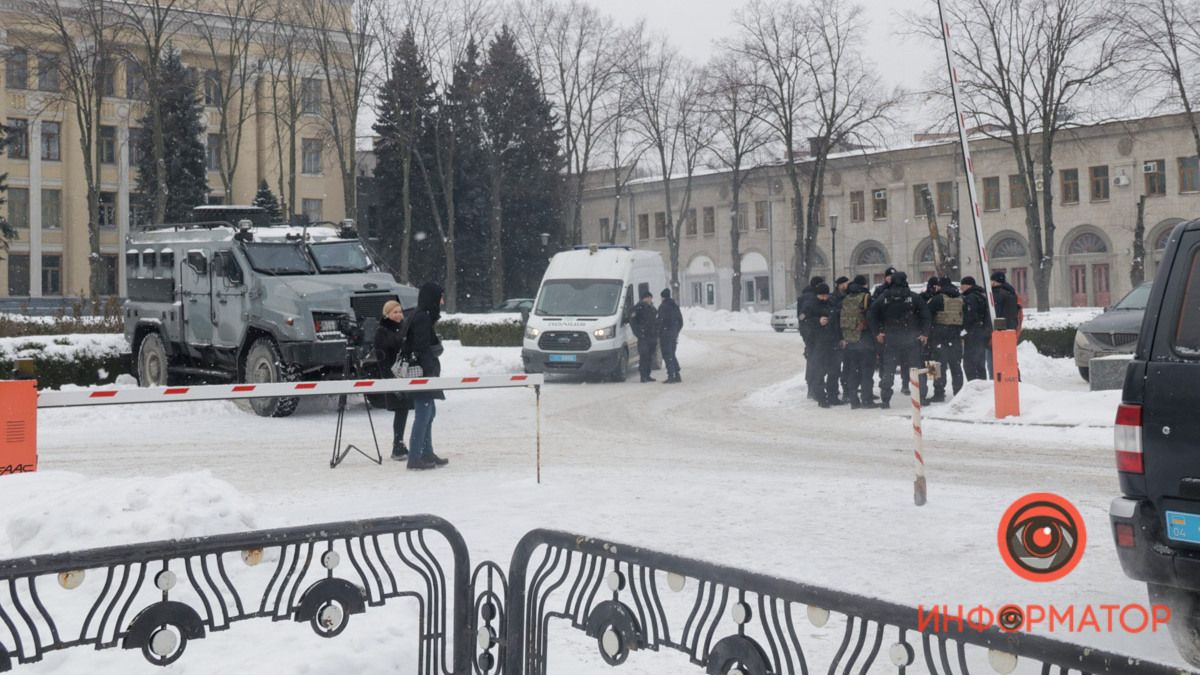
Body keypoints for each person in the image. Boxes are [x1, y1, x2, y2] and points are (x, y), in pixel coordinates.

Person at [868, 271, 931, 408]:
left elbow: (872, 314)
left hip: (891, 339)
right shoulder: (913, 297)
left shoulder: (885, 297)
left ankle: (885, 399)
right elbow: (926, 315)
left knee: (888, 370)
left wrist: (877, 333)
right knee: (917, 368)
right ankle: (921, 397)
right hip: (912, 338)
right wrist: (924, 333)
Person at [404, 282, 449, 470]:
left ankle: (426, 452)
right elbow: (421, 348)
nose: (443, 301)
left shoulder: (420, 315)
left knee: (429, 413)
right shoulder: (422, 318)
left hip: (424, 371)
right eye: (440, 296)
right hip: (423, 373)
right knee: (423, 414)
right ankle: (415, 456)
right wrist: (429, 369)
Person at [372, 300, 412, 461]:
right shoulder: (382, 332)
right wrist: (390, 380)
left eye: (400, 311)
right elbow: (382, 358)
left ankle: (400, 444)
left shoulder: (404, 328)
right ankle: (398, 444)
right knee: (401, 410)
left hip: (405, 374)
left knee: (404, 410)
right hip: (392, 375)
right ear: (387, 314)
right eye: (394, 312)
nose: (398, 315)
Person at [838, 275, 876, 408]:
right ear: (864, 285)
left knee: (853, 371)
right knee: (866, 371)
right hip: (864, 339)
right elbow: (872, 318)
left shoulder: (846, 298)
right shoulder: (866, 297)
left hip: (850, 340)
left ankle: (853, 399)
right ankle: (867, 399)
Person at [927, 276, 965, 402]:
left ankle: (938, 392)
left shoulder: (937, 299)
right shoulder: (961, 298)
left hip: (939, 335)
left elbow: (927, 317)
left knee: (936, 365)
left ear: (939, 286)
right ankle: (958, 392)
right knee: (956, 365)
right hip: (955, 336)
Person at [808, 283, 841, 407]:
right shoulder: (811, 306)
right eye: (821, 295)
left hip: (833, 342)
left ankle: (833, 396)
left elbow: (837, 323)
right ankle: (821, 397)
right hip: (819, 344)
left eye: (826, 295)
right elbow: (805, 323)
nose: (824, 298)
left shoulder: (831, 304)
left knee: (835, 371)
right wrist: (817, 322)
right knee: (820, 372)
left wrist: (840, 338)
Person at [960, 276, 993, 381]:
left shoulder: (970, 298)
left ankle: (974, 387)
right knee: (980, 363)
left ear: (968, 285)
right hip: (982, 333)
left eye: (962, 285)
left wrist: (965, 330)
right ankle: (982, 386)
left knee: (969, 364)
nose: (961, 288)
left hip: (973, 334)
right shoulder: (982, 295)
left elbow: (970, 316)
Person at [798, 276, 824, 400]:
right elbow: (804, 316)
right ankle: (813, 387)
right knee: (814, 359)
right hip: (812, 333)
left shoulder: (804, 296)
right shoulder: (810, 298)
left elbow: (801, 317)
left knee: (812, 358)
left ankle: (812, 386)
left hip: (807, 333)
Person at [631, 289, 659, 382]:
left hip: (651, 336)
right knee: (644, 356)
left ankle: (647, 374)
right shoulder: (639, 308)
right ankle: (643, 376)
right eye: (650, 298)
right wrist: (639, 333)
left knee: (650, 356)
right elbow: (633, 322)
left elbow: (655, 318)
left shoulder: (651, 307)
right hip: (644, 337)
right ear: (646, 298)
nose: (651, 300)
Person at [658, 288, 684, 383]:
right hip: (673, 334)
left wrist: (660, 332)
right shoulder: (675, 306)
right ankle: (677, 374)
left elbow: (660, 322)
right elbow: (681, 321)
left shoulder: (663, 307)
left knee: (667, 355)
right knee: (672, 354)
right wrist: (676, 331)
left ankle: (671, 376)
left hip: (665, 335)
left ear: (663, 297)